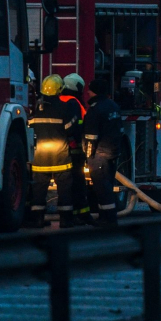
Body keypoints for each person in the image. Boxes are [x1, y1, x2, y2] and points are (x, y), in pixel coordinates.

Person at [29, 75, 80, 228]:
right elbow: (71, 129)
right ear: (60, 91)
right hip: (60, 157)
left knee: (38, 190)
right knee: (64, 189)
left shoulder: (34, 109)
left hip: (39, 158)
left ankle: (37, 220)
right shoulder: (64, 108)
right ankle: (66, 220)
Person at [83, 79, 124, 226]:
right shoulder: (113, 106)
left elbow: (91, 137)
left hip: (99, 154)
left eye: (90, 90)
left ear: (94, 91)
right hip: (113, 152)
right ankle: (104, 216)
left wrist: (88, 156)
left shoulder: (95, 109)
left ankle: (109, 218)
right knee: (107, 183)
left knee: (101, 187)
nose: (87, 92)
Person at [60, 73, 94, 226]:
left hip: (58, 149)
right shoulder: (74, 102)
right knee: (78, 183)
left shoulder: (58, 100)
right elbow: (77, 125)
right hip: (74, 150)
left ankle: (73, 214)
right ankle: (82, 214)